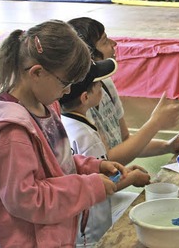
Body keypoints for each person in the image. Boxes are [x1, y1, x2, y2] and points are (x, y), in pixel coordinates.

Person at [0, 20, 126, 246]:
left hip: (55, 234)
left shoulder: (47, 106)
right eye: (65, 82)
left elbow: (54, 163)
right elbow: (26, 200)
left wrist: (91, 166)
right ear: (37, 73)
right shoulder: (13, 134)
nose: (68, 91)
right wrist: (88, 187)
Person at [67, 17, 179, 166]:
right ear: (88, 55)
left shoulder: (106, 84)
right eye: (104, 41)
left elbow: (126, 141)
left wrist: (168, 146)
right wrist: (155, 122)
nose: (114, 44)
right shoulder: (79, 103)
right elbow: (107, 161)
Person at [59, 58, 151, 246]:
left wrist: (121, 171)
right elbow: (104, 186)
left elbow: (89, 174)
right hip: (91, 228)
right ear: (85, 97)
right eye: (97, 85)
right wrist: (132, 178)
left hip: (77, 221)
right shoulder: (88, 137)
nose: (102, 85)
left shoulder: (66, 123)